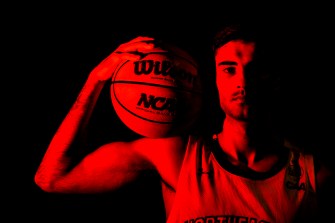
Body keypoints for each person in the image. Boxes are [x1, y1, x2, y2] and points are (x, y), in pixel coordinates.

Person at [34, 21, 333, 222]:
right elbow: (52, 177)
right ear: (213, 79)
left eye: (255, 71)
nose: (243, 82)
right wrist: (95, 80)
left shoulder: (312, 176)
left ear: (274, 80)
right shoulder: (178, 157)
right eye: (229, 70)